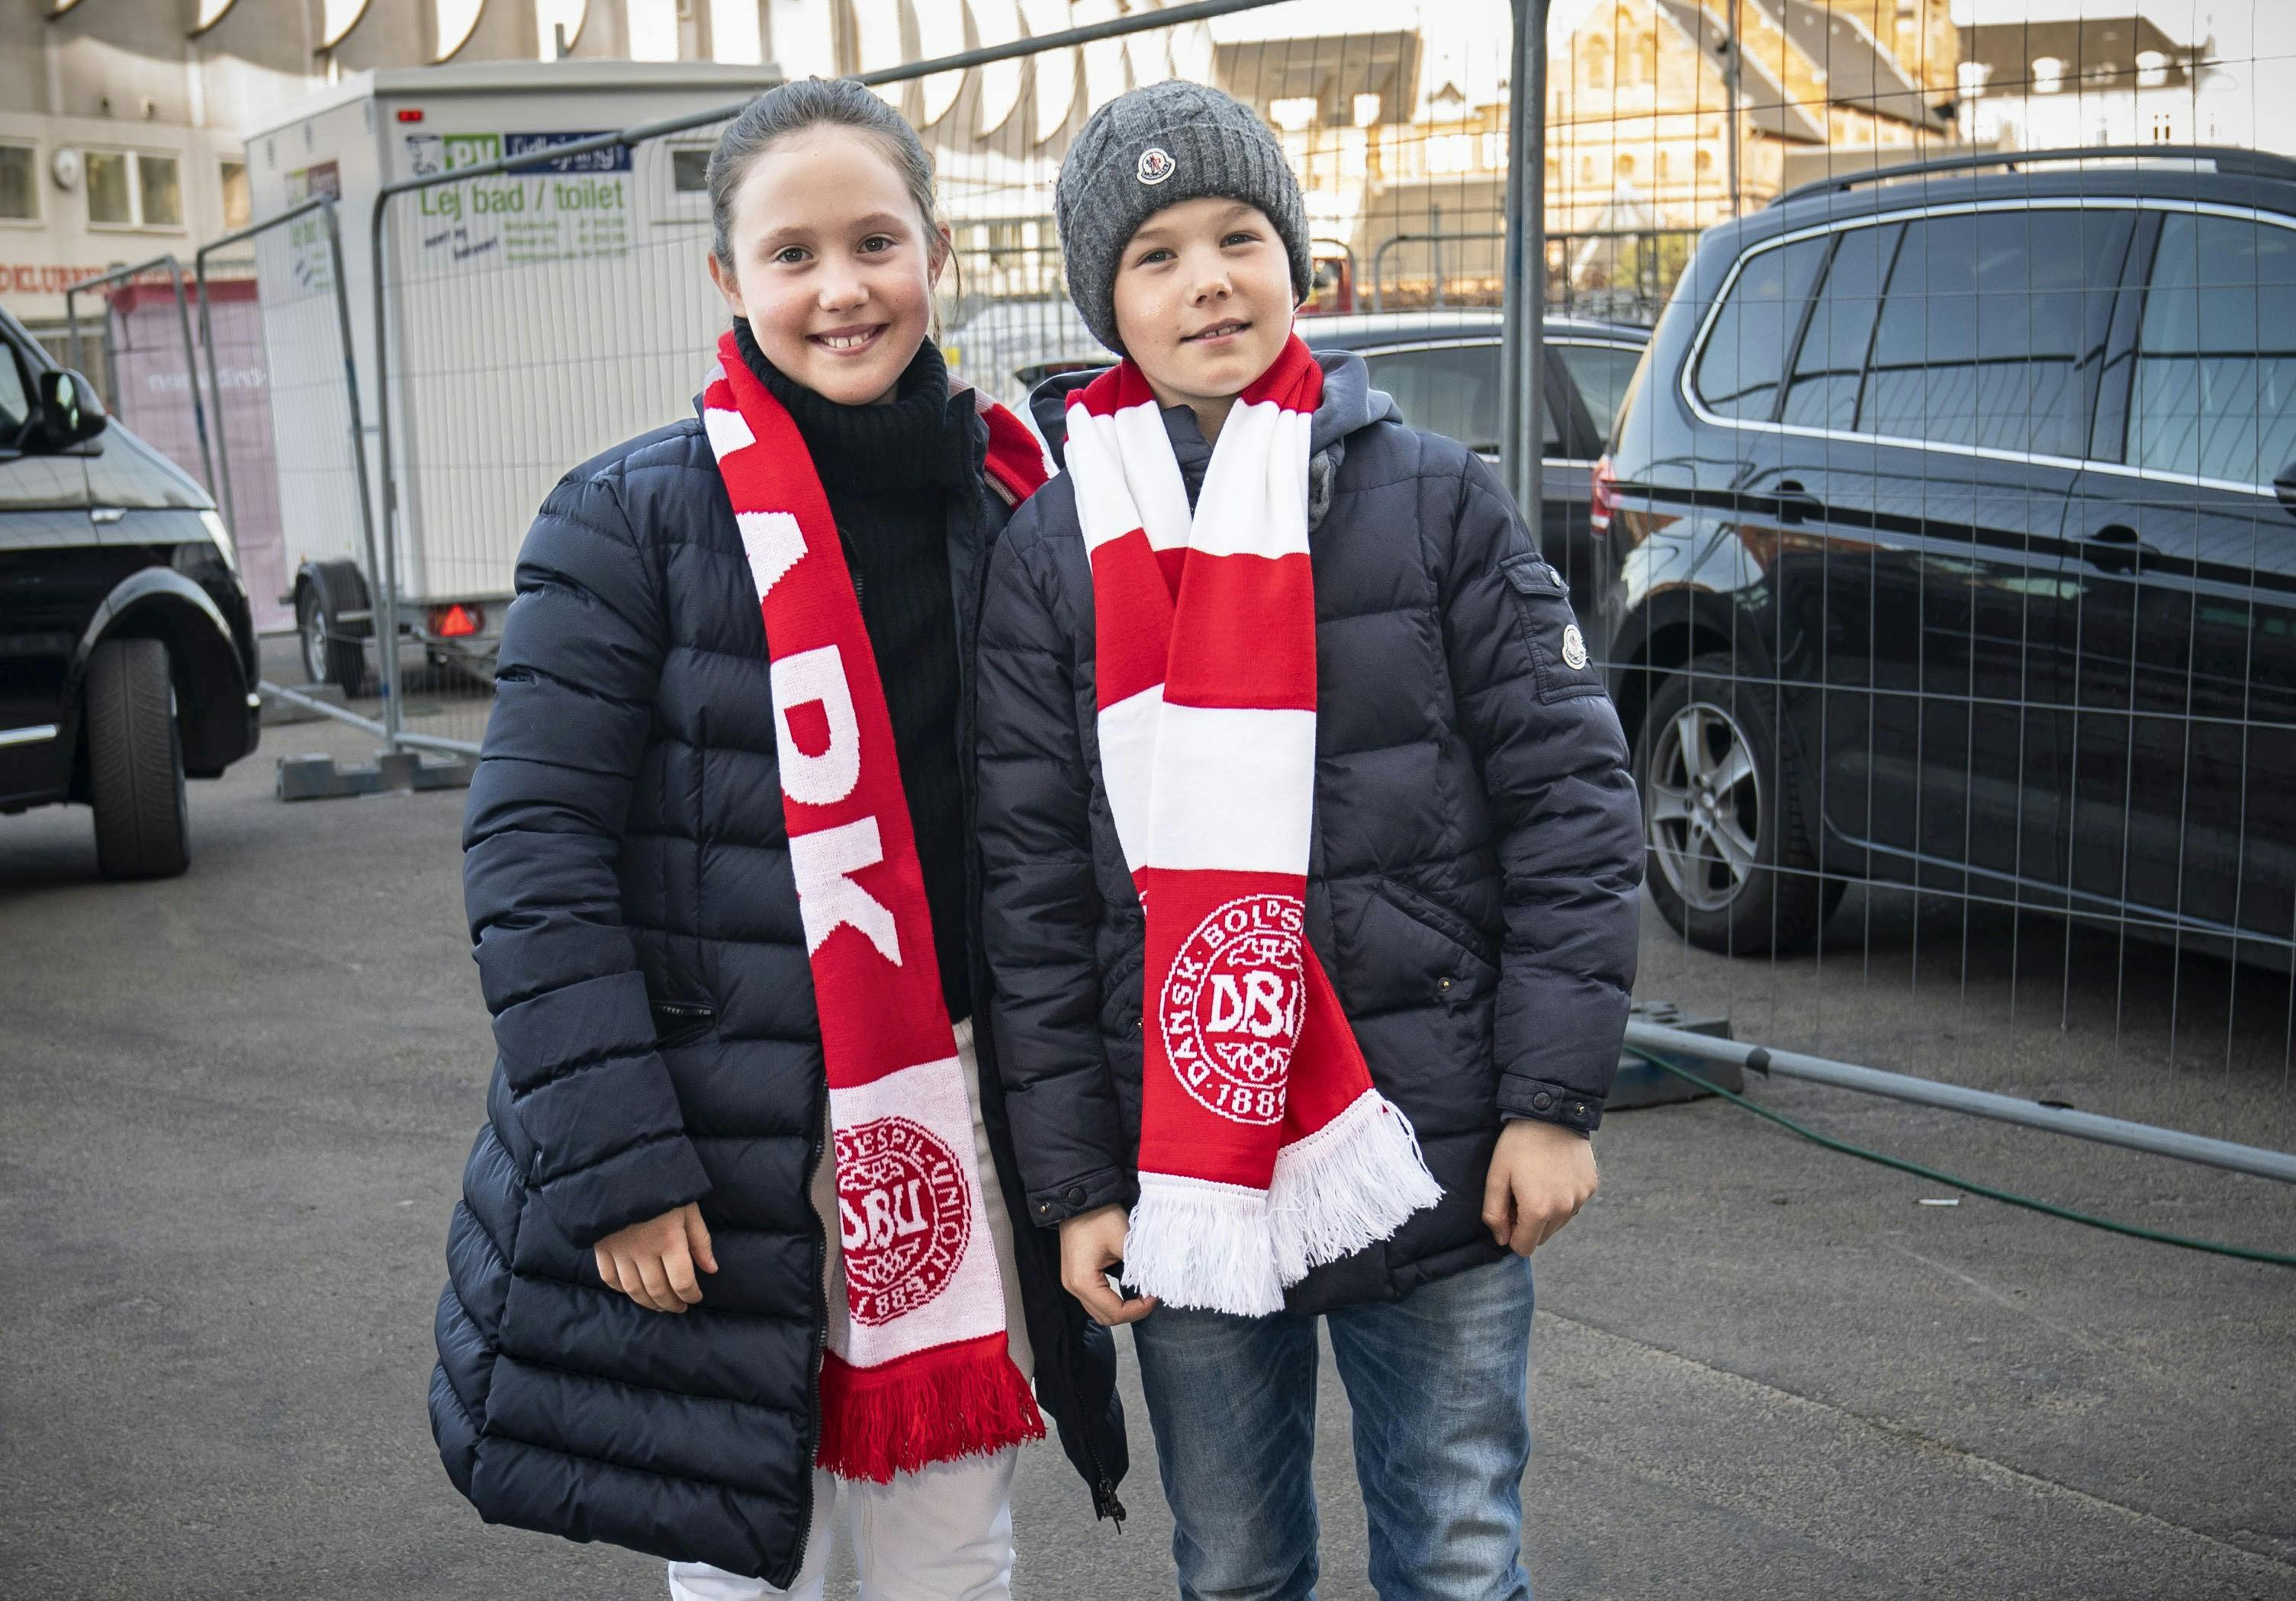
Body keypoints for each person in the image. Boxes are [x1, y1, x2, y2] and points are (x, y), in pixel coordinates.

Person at [426, 78, 1126, 1600]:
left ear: (934, 250)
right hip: (722, 1140)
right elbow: (532, 859)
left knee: (952, 1538)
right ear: (726, 279)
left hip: (954, 1117)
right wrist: (615, 1169)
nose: (839, 288)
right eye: (791, 252)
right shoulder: (627, 520)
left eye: (873, 241)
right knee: (759, 1551)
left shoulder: (1015, 500)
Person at [975, 81, 1643, 1601]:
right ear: (1105, 300)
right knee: (1233, 1567)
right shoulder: (1050, 555)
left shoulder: (1431, 500)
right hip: (1182, 1183)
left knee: (1458, 1553)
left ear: (1298, 262)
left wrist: (1549, 1100)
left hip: (1438, 1143)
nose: (1206, 278)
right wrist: (1077, 1190)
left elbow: (1569, 807)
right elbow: (1029, 905)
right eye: (1153, 254)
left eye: (1237, 235)